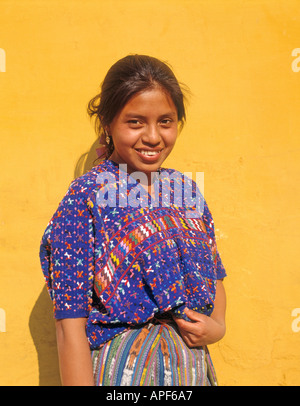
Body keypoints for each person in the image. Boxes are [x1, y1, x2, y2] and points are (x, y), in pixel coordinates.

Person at [39, 54, 227, 386]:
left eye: (166, 121)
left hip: (192, 371)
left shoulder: (187, 192)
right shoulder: (86, 198)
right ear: (108, 123)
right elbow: (70, 326)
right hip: (124, 374)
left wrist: (219, 326)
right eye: (135, 122)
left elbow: (214, 271)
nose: (153, 137)